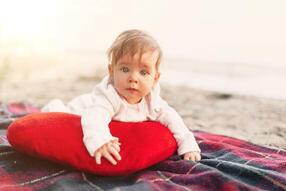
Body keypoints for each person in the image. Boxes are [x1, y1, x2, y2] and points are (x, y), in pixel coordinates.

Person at [42, 29, 201, 165]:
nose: (133, 78)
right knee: (62, 114)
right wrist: (101, 141)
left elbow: (173, 119)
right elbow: (94, 116)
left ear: (155, 78)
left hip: (92, 104)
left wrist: (188, 144)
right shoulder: (109, 97)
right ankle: (54, 105)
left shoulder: (153, 102)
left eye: (144, 72)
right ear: (111, 71)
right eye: (125, 69)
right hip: (83, 106)